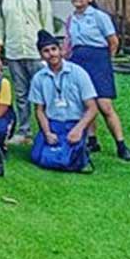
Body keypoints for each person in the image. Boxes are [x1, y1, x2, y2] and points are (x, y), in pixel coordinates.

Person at [64, 0, 130, 160]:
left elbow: (113, 41)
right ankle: (92, 140)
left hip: (98, 60)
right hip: (78, 60)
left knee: (105, 105)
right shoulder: (71, 19)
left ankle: (121, 145)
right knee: (86, 102)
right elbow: (69, 42)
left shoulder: (100, 17)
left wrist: (106, 61)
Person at [0, 0, 53, 144]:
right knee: (21, 94)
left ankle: (48, 129)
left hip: (36, 53)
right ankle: (24, 131)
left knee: (45, 93)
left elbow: (47, 23)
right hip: (14, 53)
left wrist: (48, 52)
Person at [29, 30, 101, 171]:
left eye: (54, 49)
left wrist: (78, 129)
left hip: (73, 124)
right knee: (37, 156)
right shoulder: (39, 77)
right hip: (53, 124)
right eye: (46, 51)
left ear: (60, 50)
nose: (51, 54)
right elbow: (39, 110)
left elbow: (92, 108)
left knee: (66, 158)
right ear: (41, 55)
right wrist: (47, 132)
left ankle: (77, 150)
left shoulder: (78, 73)